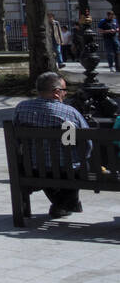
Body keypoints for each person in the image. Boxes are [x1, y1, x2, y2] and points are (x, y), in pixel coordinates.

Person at [13, 71, 90, 218]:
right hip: (66, 170)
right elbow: (87, 143)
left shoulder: (21, 108)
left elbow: (17, 140)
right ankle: (64, 203)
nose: (65, 94)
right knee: (79, 164)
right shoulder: (70, 112)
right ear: (56, 92)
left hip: (33, 167)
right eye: (64, 90)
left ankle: (62, 204)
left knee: (46, 165)